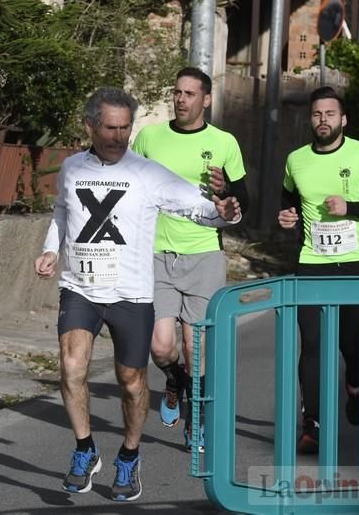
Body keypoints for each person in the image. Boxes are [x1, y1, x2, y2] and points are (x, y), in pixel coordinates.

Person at [34, 86, 241, 501]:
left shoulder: (147, 173)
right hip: (81, 288)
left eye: (125, 128)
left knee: (131, 383)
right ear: (90, 126)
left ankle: (129, 455)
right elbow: (62, 209)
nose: (118, 137)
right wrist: (51, 248)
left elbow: (195, 206)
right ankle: (85, 449)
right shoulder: (72, 168)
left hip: (131, 294)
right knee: (71, 369)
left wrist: (222, 215)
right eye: (110, 128)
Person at [131, 66, 248, 453]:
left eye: (189, 94)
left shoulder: (225, 142)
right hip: (158, 253)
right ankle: (174, 380)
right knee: (161, 347)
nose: (181, 99)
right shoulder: (149, 137)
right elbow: (131, 186)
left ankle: (196, 419)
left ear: (206, 99)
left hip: (203, 254)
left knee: (196, 346)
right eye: (177, 92)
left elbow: (241, 201)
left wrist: (226, 190)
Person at [277, 86, 359, 454]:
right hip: (313, 263)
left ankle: (355, 387)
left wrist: (352, 207)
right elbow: (288, 199)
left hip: (357, 263)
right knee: (312, 345)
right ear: (310, 119)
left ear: (343, 119)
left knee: (353, 346)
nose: (323, 120)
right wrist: (287, 216)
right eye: (317, 114)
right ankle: (311, 424)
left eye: (330, 114)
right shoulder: (296, 160)